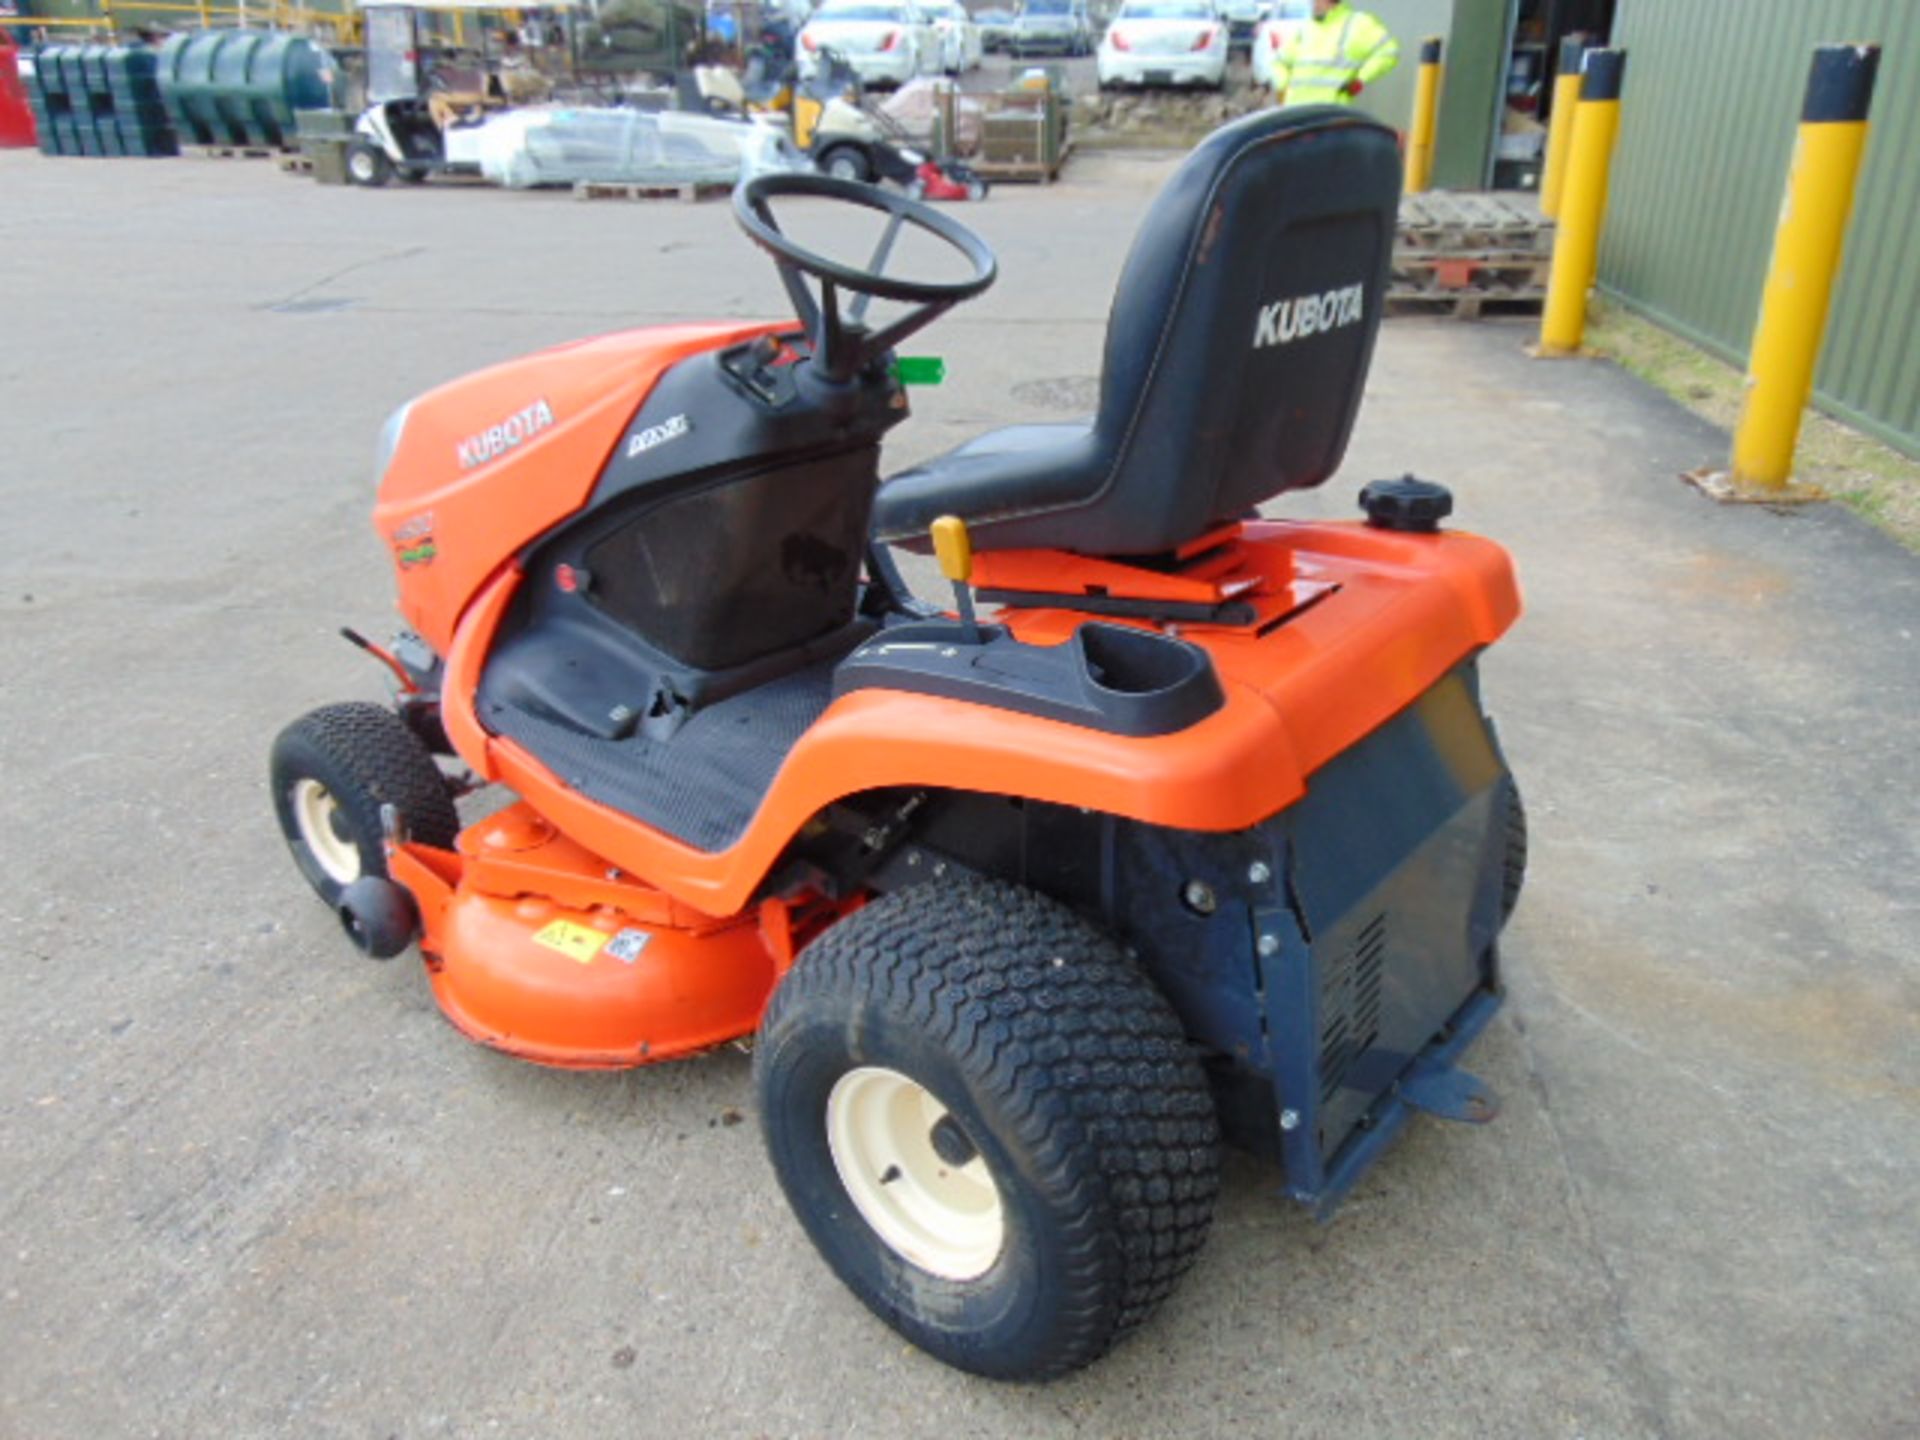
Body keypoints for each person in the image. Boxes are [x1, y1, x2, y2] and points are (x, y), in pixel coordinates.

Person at [1271, 0, 1398, 106]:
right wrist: (1284, 84)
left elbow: (1389, 51)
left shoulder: (1357, 24)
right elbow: (1278, 61)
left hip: (1330, 117)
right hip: (1296, 116)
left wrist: (1361, 79)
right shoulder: (1307, 28)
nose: (1311, 3)